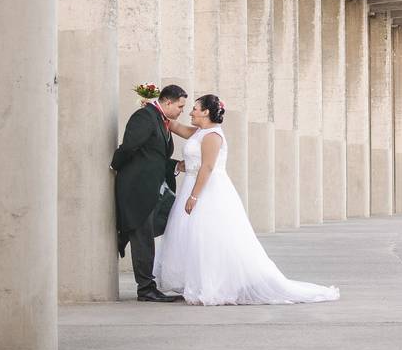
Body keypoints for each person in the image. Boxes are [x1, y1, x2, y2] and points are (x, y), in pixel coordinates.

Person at [156, 94, 340, 305]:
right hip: (192, 184)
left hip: (208, 191)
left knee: (208, 236)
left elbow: (207, 167)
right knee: (192, 236)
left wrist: (194, 196)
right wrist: (154, 107)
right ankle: (196, 282)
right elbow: (175, 127)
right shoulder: (200, 132)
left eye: (195, 108)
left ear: (206, 112)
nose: (191, 112)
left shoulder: (212, 136)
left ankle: (212, 284)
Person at [111, 84, 187, 302]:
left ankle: (147, 284)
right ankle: (145, 289)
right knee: (143, 237)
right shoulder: (144, 116)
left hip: (151, 187)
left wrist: (175, 165)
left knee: (151, 233)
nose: (181, 110)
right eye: (180, 106)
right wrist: (115, 166)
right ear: (168, 102)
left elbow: (153, 156)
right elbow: (129, 147)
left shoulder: (161, 120)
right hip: (137, 188)